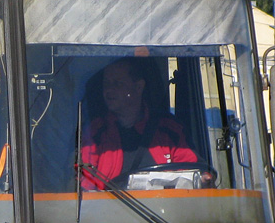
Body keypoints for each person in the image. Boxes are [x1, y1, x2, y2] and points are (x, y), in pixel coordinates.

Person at [79, 57, 197, 189]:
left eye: (118, 83)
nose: (109, 90)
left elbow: (191, 175)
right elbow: (82, 184)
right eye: (106, 83)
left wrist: (204, 178)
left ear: (138, 87)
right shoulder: (94, 132)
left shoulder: (170, 130)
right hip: (105, 209)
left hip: (160, 208)